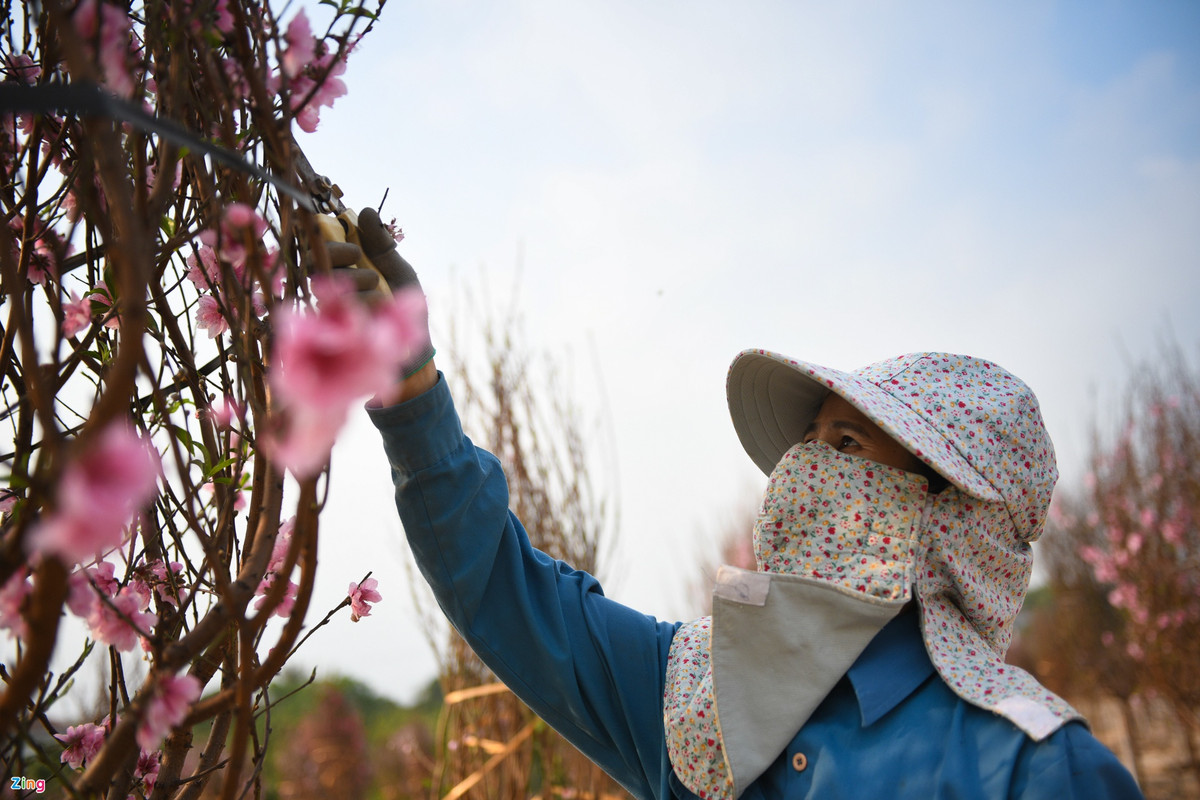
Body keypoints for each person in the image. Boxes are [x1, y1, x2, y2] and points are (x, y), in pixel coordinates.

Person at [339, 211, 1143, 799]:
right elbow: (505, 592)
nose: (801, 469)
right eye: (812, 440)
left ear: (949, 522)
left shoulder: (1034, 770)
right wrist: (409, 387)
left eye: (849, 447)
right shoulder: (700, 698)